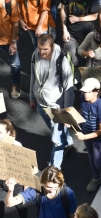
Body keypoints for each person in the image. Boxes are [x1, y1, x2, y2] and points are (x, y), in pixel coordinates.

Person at [29, 34, 74, 167]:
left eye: (45, 50)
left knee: (56, 139)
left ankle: (54, 168)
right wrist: (32, 97)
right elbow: (33, 76)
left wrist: (67, 114)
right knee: (55, 129)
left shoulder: (62, 61)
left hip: (56, 106)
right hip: (41, 102)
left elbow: (68, 89)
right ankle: (69, 142)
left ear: (52, 47)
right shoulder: (35, 55)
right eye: (39, 48)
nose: (41, 52)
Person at [76, 78, 101, 192]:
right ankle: (96, 177)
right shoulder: (82, 99)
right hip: (86, 135)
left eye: (88, 92)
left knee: (99, 162)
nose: (85, 95)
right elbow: (81, 110)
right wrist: (72, 119)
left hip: (98, 140)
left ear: (96, 91)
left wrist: (84, 137)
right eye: (84, 92)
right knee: (91, 157)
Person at [59, 0, 100, 70]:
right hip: (71, 31)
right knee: (70, 57)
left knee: (86, 58)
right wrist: (64, 30)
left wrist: (77, 19)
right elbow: (63, 10)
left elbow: (94, 16)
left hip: (86, 32)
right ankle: (75, 71)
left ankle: (85, 76)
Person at [0, 120, 29, 218]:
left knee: (20, 204)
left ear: (8, 133)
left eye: (0, 132)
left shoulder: (17, 146)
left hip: (14, 181)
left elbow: (25, 167)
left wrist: (25, 186)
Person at [0, 0, 21, 99]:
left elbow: (16, 23)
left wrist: (13, 42)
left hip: (8, 40)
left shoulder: (10, 1)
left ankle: (15, 84)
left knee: (15, 64)